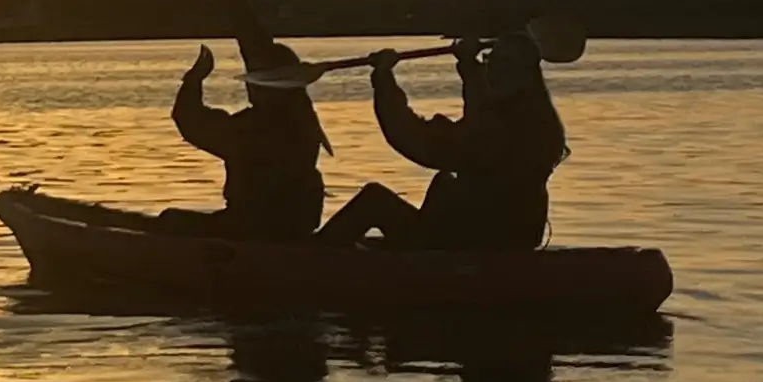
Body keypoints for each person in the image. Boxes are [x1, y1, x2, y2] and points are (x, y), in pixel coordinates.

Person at [316, 32, 569, 250]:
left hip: (474, 238)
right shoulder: (537, 118)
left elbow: (417, 140)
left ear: (527, 75)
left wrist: (384, 79)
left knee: (374, 200)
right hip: (502, 234)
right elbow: (482, 112)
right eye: (492, 60)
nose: (494, 69)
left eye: (507, 64)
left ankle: (309, 263)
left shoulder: (503, 127)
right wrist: (469, 65)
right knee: (444, 182)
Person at [155, 40, 331, 241]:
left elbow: (192, 122)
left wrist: (194, 79)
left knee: (170, 219)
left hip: (252, 227)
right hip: (295, 224)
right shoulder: (305, 119)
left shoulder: (255, 127)